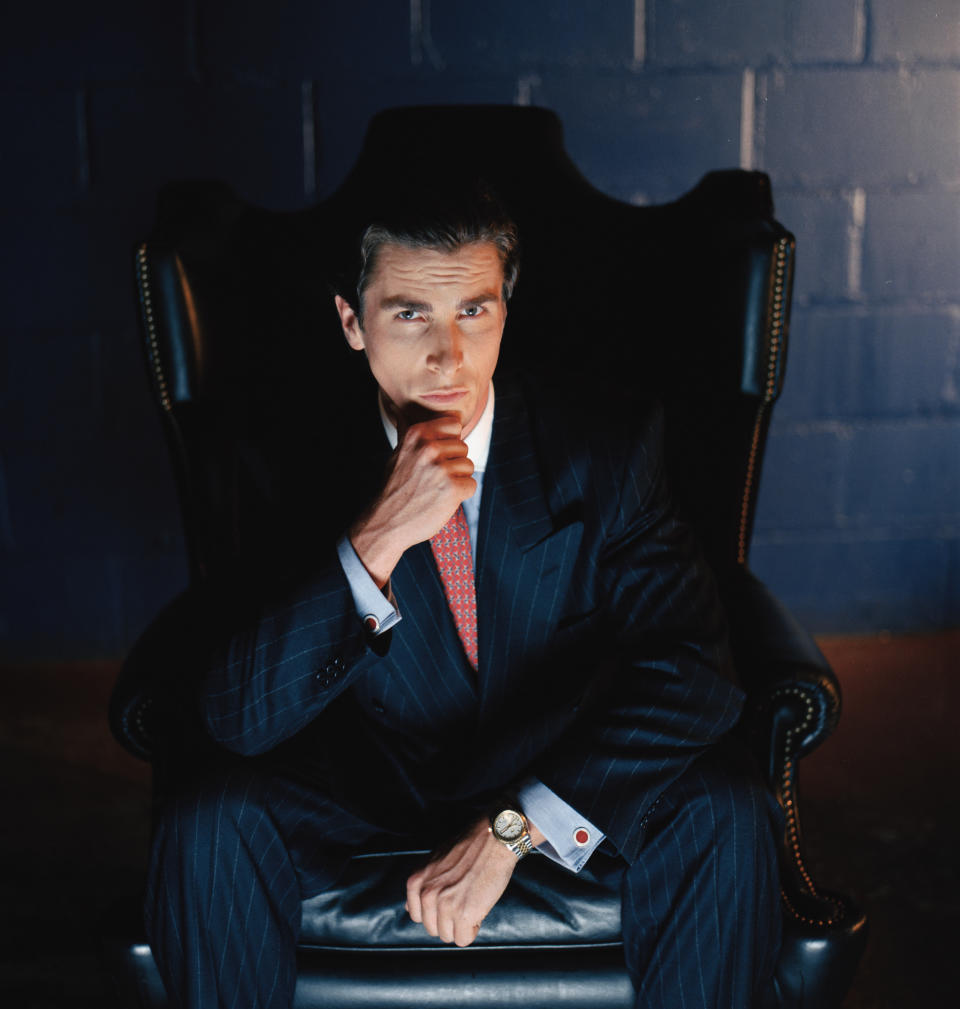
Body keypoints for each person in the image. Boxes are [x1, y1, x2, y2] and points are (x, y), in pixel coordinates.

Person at [145, 184, 782, 1008]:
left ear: (504, 313)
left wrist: (514, 829)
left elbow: (696, 670)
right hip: (365, 785)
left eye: (474, 312)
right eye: (410, 315)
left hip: (554, 768)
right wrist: (371, 541)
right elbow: (238, 718)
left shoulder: (607, 446)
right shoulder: (278, 458)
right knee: (206, 822)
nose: (448, 356)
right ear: (352, 321)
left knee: (725, 807)